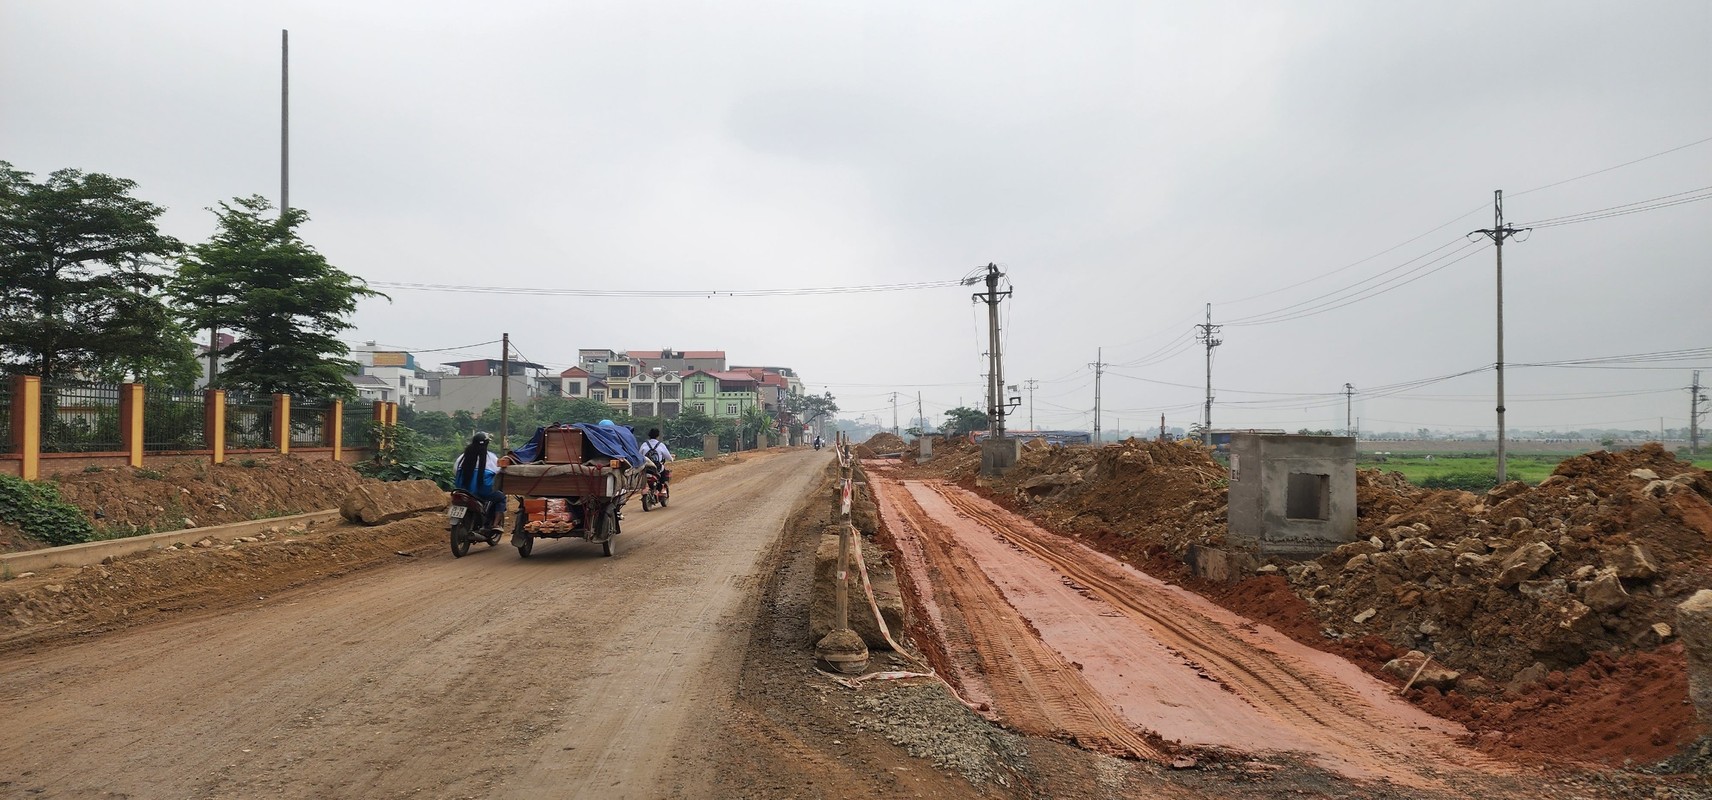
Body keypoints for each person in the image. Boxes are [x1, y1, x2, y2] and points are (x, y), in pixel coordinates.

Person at [453, 431, 506, 531]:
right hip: (482, 491)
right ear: (487, 444)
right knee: (501, 497)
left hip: (462, 490)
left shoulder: (462, 457)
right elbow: (499, 471)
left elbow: (455, 471)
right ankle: (495, 525)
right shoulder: (491, 457)